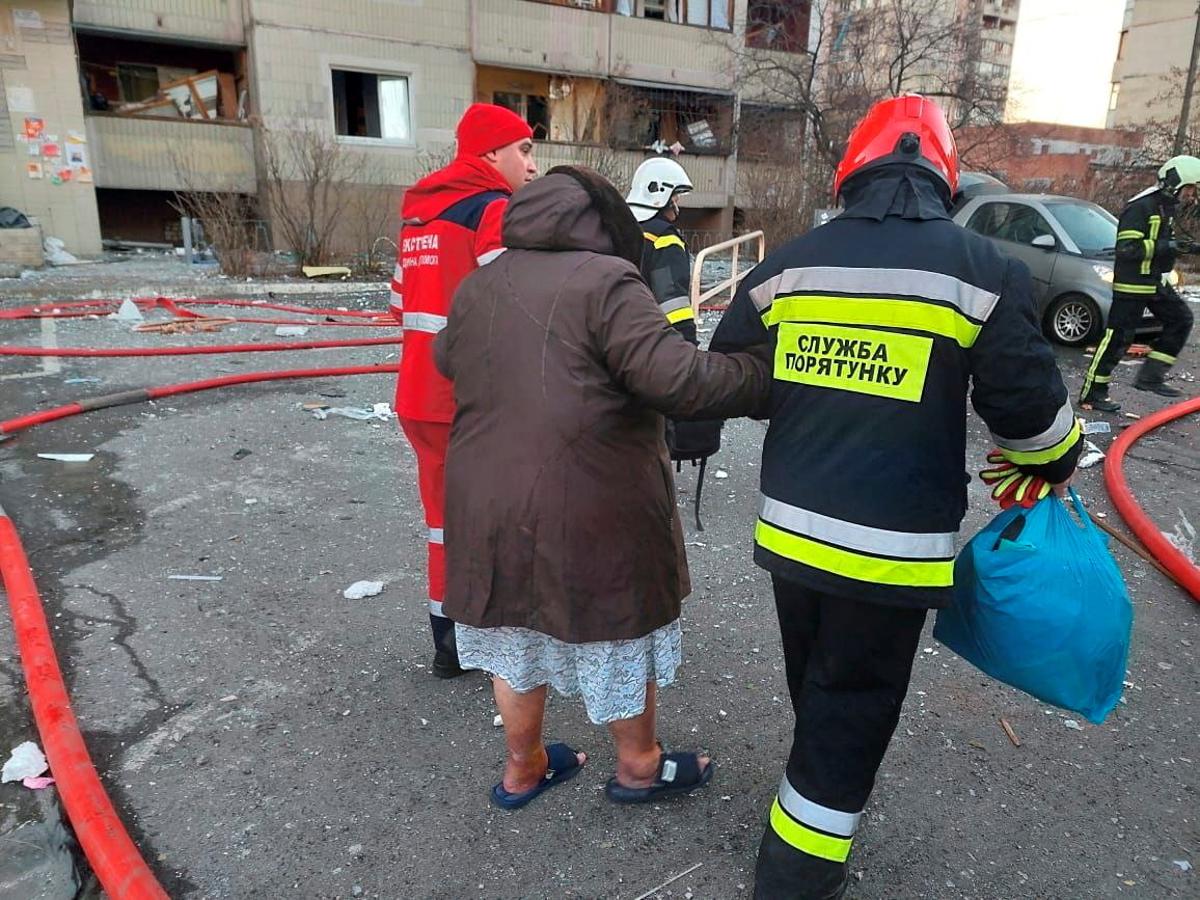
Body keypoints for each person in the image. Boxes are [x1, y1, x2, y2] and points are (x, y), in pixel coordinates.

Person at [709, 95, 1083, 898]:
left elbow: (731, 374)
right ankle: (797, 871)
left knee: (816, 678)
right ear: (943, 178)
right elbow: (1034, 423)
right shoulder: (985, 271)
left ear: (853, 172)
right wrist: (1056, 461)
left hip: (791, 534)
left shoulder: (788, 265)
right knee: (856, 697)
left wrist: (814, 384)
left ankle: (811, 788)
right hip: (892, 550)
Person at [432, 166, 770, 810]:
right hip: (588, 501)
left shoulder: (479, 284)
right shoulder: (608, 279)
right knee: (617, 628)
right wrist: (762, 371)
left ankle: (524, 767)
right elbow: (679, 381)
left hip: (486, 500)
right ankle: (640, 766)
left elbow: (447, 358)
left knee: (512, 635)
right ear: (604, 224)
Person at [389, 103, 537, 678]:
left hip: (417, 396)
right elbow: (517, 304)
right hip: (469, 400)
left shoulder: (418, 217)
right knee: (490, 519)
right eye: (522, 149)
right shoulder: (491, 208)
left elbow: (400, 305)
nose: (531, 162)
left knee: (441, 523)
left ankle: (447, 642)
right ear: (489, 154)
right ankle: (488, 642)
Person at [627, 157, 723, 525]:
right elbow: (673, 301)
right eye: (675, 199)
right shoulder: (664, 238)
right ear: (660, 195)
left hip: (616, 344)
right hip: (654, 348)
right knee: (655, 433)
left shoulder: (621, 230)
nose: (677, 208)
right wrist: (686, 350)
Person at [1079, 155, 1200, 412]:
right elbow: (1126, 249)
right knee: (1118, 338)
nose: (1191, 195)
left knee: (1181, 319)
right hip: (1132, 285)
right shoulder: (1141, 207)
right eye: (1189, 188)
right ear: (1175, 183)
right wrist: (1165, 245)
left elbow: (1164, 244)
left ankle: (1150, 377)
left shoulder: (1164, 208)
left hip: (1153, 282)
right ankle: (1092, 393)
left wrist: (1186, 248)